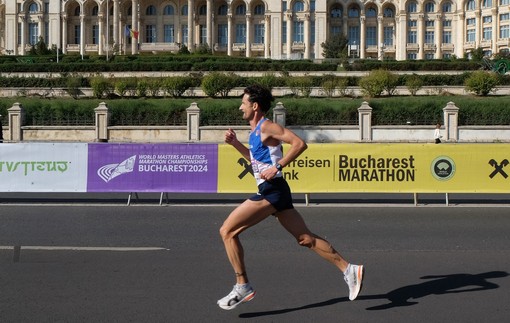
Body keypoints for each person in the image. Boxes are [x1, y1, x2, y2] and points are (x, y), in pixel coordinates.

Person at [217, 84, 364, 310]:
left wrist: (278, 167)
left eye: (243, 103)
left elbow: (299, 144)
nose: (240, 108)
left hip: (272, 190)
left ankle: (242, 285)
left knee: (227, 231)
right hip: (275, 190)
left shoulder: (268, 127)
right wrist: (236, 144)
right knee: (305, 239)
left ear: (255, 106)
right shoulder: (256, 132)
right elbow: (255, 162)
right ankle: (349, 269)